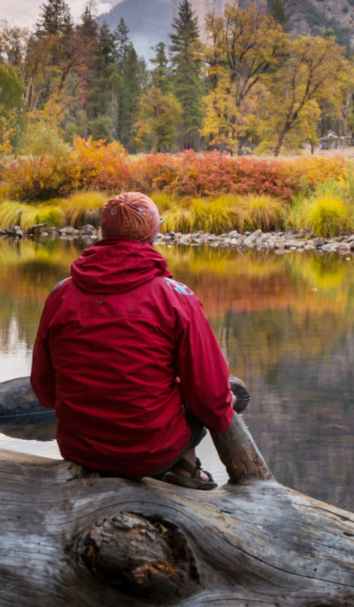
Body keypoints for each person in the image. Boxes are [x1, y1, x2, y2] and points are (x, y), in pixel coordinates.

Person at [30, 191, 233, 490]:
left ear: (103, 233)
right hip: (151, 453)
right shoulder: (176, 298)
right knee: (194, 392)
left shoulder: (61, 293)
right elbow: (210, 395)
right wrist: (226, 414)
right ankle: (185, 466)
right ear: (153, 233)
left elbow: (45, 389)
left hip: (79, 449)